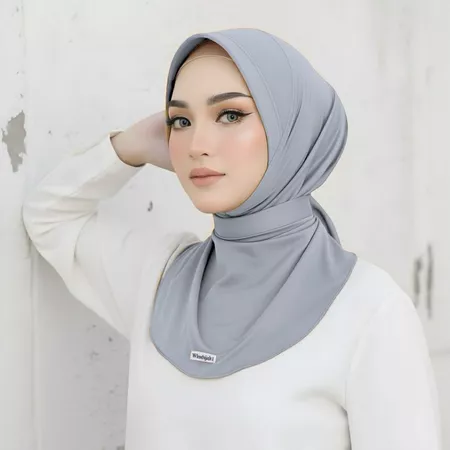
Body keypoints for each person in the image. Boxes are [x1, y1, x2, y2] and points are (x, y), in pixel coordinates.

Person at [22, 28, 441, 450]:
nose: (197, 145)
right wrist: (132, 146)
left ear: (292, 129)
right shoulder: (159, 278)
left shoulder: (369, 309)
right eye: (181, 121)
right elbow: (48, 216)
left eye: (230, 115)